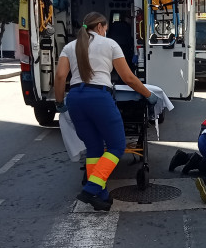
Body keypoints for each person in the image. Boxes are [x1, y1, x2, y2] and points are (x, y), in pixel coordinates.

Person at [54, 12, 159, 211]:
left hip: (75, 98)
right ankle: (91, 188)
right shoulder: (110, 44)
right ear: (101, 26)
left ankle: (100, 194)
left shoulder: (69, 47)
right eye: (106, 27)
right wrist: (148, 95)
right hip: (99, 98)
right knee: (117, 146)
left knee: (94, 148)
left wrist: (60, 103)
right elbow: (128, 77)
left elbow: (60, 77)